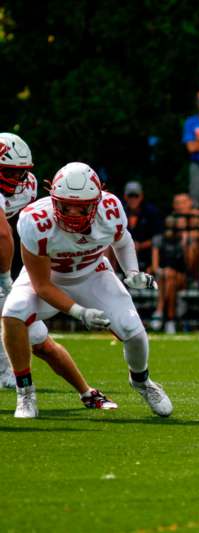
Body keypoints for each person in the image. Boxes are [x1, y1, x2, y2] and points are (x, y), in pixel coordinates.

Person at [2, 162, 171, 418]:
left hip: (92, 273)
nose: (72, 213)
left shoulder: (111, 209)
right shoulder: (35, 220)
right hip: (50, 278)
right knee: (13, 312)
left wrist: (133, 272)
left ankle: (142, 381)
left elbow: (122, 240)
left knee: (133, 332)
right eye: (65, 205)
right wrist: (80, 312)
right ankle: (25, 393)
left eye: (80, 207)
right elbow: (42, 286)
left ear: (97, 199)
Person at [0, 133, 116, 411]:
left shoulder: (26, 190)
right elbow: (3, 234)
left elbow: (14, 231)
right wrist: (5, 278)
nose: (17, 181)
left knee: (37, 338)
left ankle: (85, 392)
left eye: (19, 173)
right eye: (8, 173)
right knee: (34, 337)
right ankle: (84, 392)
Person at [151, 193, 199, 333]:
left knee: (192, 247)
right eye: (177, 202)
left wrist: (187, 236)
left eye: (183, 202)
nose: (180, 205)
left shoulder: (198, 219)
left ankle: (160, 312)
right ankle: (170, 320)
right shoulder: (167, 230)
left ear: (190, 203)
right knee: (169, 277)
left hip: (189, 270)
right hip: (170, 273)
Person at [123, 181, 163, 273]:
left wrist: (140, 245)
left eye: (136, 196)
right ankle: (113, 272)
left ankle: (154, 270)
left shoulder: (151, 212)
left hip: (146, 251)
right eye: (130, 196)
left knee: (156, 242)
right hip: (123, 249)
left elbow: (157, 236)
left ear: (141, 197)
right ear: (125, 197)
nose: (133, 199)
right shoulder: (120, 211)